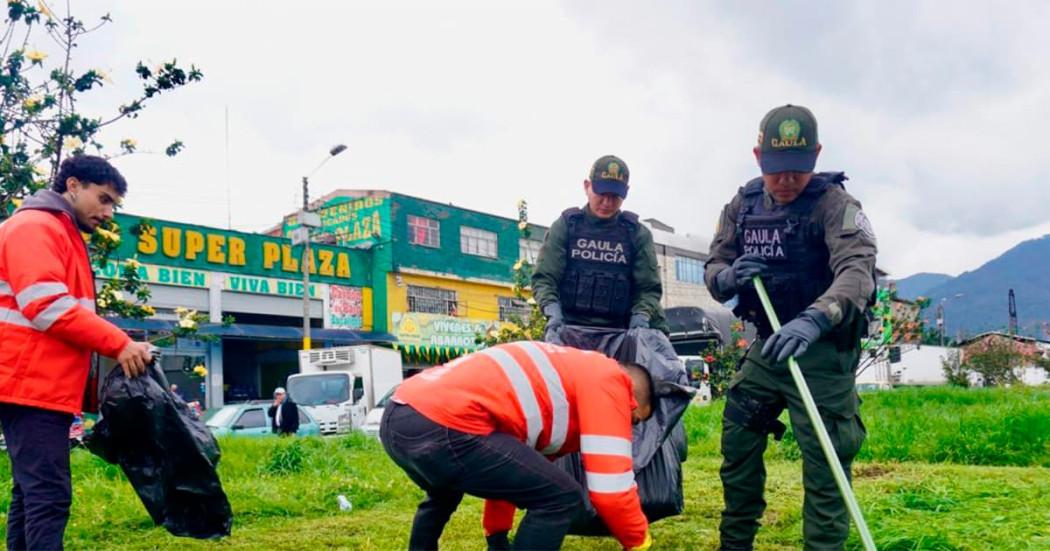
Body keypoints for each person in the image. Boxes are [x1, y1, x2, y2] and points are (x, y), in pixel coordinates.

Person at [704, 104, 877, 550]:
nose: (785, 180)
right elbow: (714, 266)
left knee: (826, 460)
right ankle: (735, 543)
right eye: (775, 169)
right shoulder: (742, 205)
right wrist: (728, 276)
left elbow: (857, 273)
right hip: (769, 347)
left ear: (816, 156)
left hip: (823, 351)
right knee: (738, 435)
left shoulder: (835, 205)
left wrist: (814, 319)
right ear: (757, 157)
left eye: (797, 169)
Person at [0, 155, 154, 550]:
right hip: (29, 384)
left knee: (31, 494)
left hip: (32, 384)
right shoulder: (37, 227)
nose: (108, 212)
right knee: (48, 496)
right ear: (72, 185)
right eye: (103, 199)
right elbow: (46, 304)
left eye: (113, 204)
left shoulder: (55, 229)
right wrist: (119, 343)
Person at [381, 341, 654, 551]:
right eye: (633, 419)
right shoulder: (607, 377)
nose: (627, 427)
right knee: (561, 497)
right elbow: (611, 492)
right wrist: (639, 542)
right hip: (442, 424)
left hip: (399, 415)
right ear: (631, 396)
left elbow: (510, 471)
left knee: (444, 493)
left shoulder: (559, 384)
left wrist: (496, 535)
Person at [532, 155, 667, 339]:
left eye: (615, 196)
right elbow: (545, 279)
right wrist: (552, 312)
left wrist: (641, 317)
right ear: (587, 186)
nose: (607, 203)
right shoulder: (567, 226)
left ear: (626, 192)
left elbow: (648, 288)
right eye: (601, 194)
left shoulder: (636, 233)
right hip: (569, 329)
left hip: (622, 333)